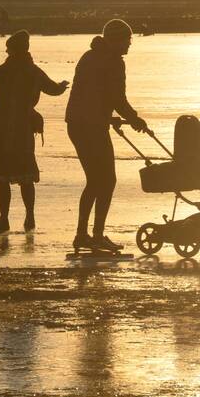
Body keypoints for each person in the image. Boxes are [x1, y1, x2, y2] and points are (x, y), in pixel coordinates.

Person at [0, 30, 69, 233]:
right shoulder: (34, 71)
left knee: (2, 176)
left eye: (8, 49)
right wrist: (62, 86)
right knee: (26, 176)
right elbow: (52, 89)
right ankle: (30, 216)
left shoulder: (6, 69)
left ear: (13, 50)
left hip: (1, 130)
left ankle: (4, 218)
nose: (7, 52)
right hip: (23, 131)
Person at [65, 19, 148, 252]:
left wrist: (107, 116)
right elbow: (116, 99)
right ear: (115, 40)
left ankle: (83, 234)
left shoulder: (88, 57)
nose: (129, 44)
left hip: (77, 123)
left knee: (95, 180)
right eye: (127, 40)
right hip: (90, 126)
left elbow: (89, 94)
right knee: (106, 180)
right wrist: (135, 119)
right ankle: (95, 235)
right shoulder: (113, 63)